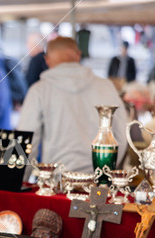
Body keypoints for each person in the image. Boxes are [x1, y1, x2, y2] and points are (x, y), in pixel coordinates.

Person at [17, 36, 127, 176]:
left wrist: (20, 181)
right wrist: (106, 171)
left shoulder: (39, 90)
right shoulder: (105, 86)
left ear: (47, 59)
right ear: (78, 55)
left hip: (57, 183)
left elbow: (27, 141)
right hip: (98, 182)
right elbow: (122, 135)